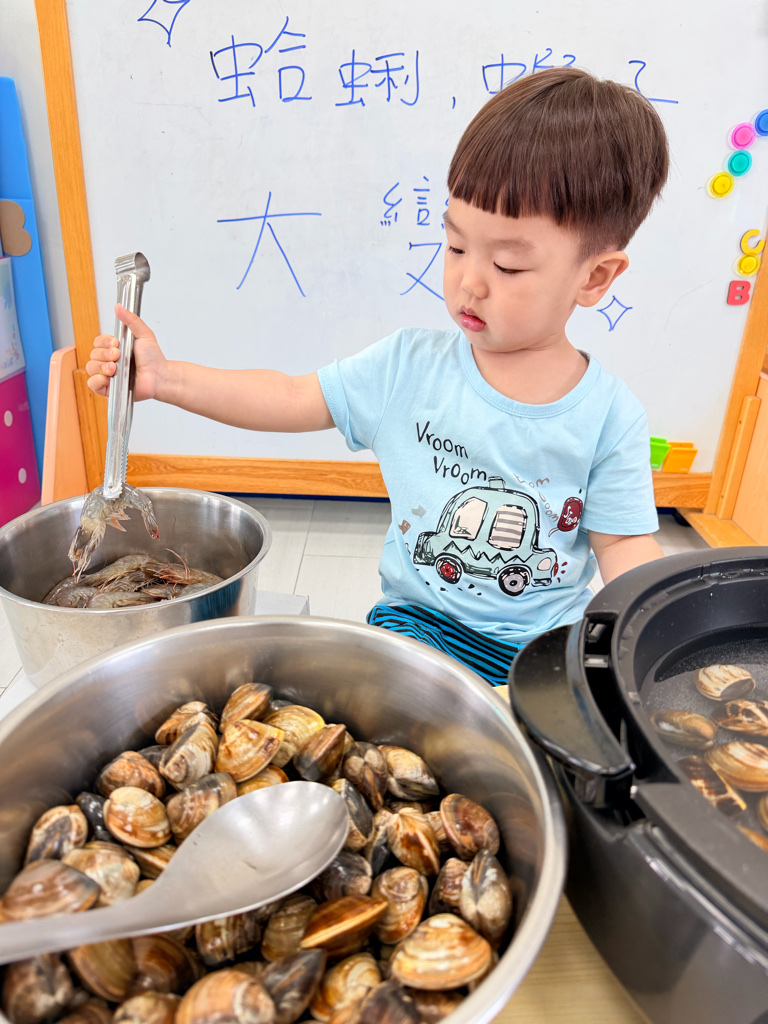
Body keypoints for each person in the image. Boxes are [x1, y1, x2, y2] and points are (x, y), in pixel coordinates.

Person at [87, 67, 669, 686]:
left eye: (506, 264)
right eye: (456, 247)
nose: (470, 281)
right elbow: (291, 396)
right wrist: (168, 380)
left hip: (544, 651)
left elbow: (623, 548)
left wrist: (656, 647)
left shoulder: (608, 416)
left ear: (595, 278)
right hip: (416, 626)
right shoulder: (406, 368)